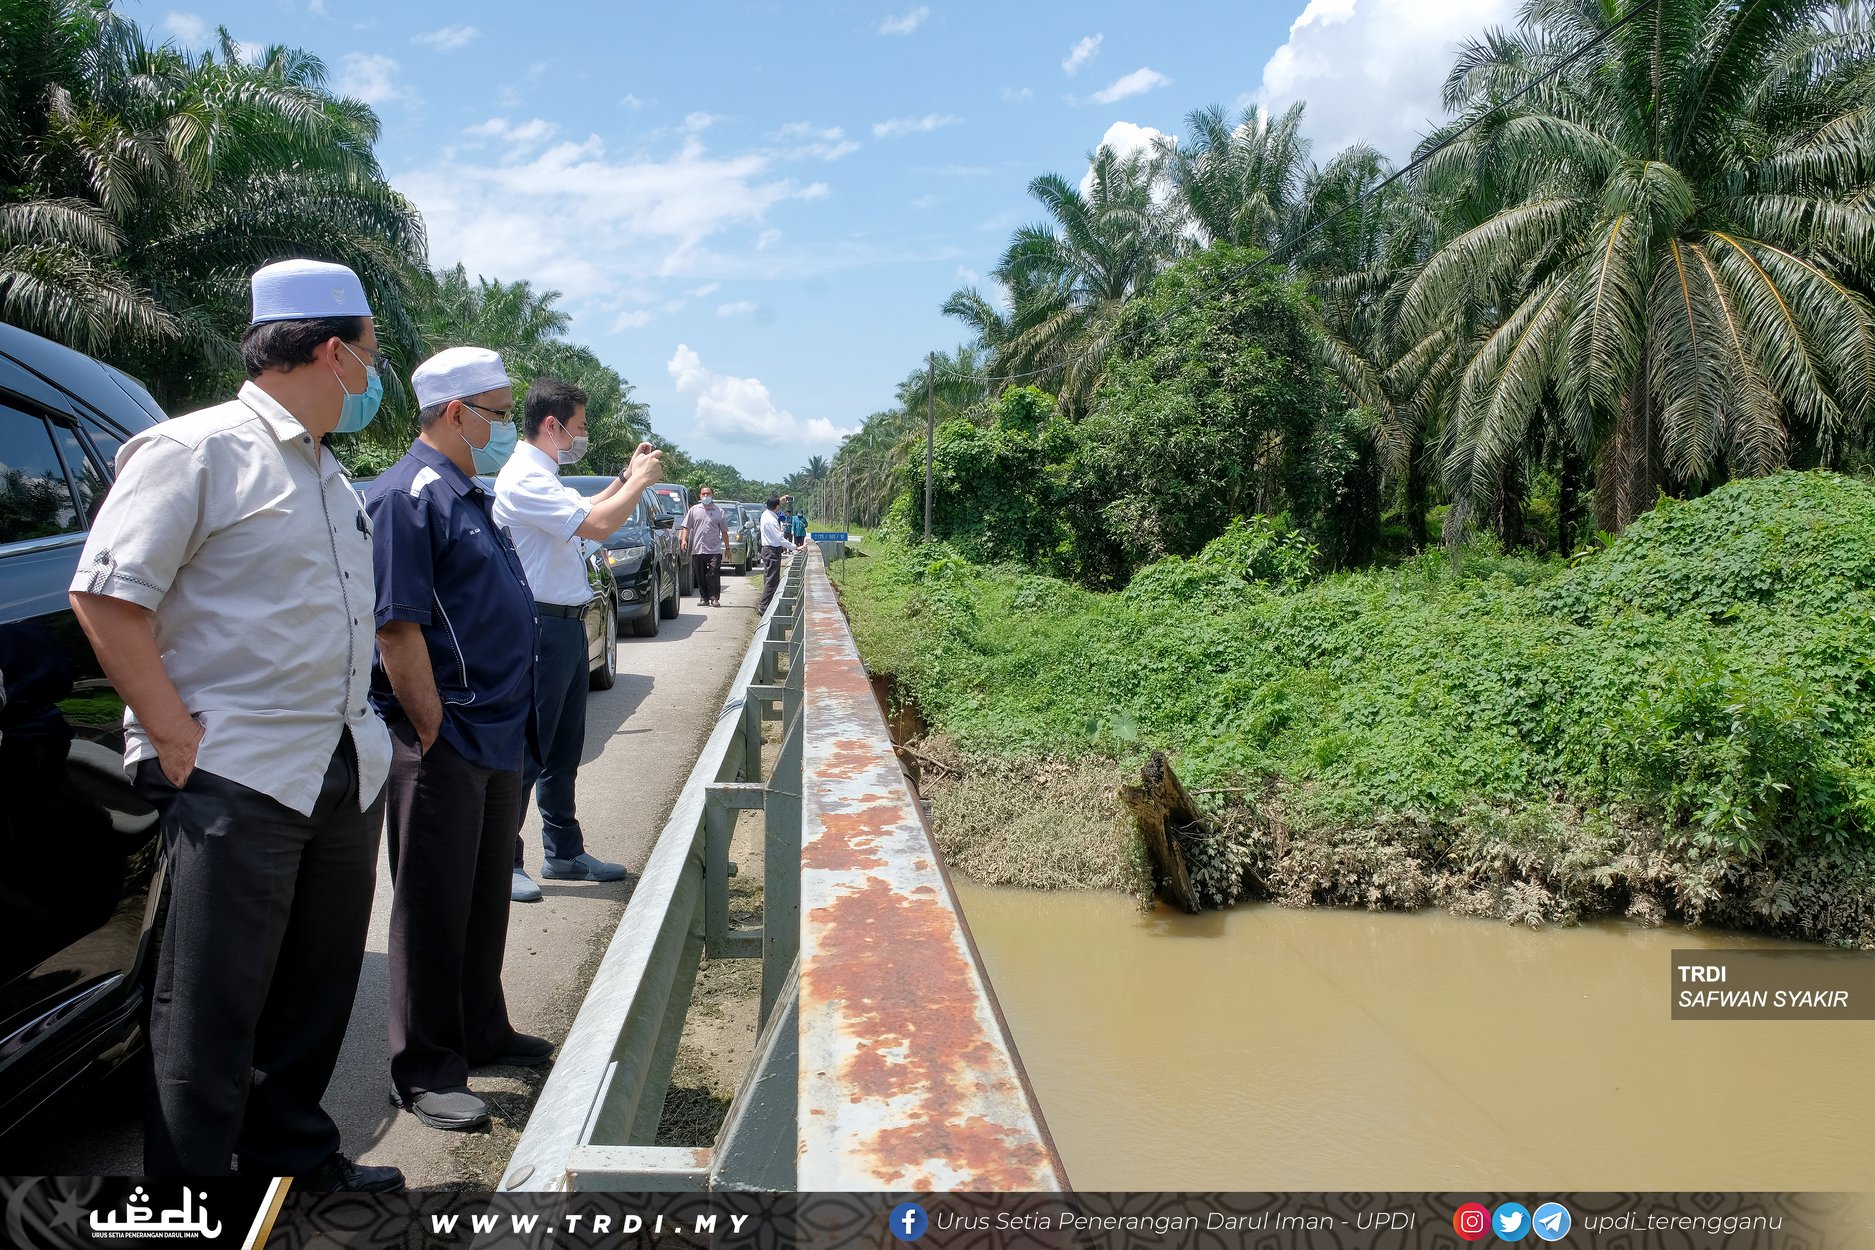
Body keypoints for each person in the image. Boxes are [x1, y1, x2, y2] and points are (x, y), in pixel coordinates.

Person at [67, 259, 401, 1190]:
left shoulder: (331, 475)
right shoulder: (195, 451)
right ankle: (194, 1198)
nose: (375, 378)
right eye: (370, 357)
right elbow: (106, 597)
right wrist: (173, 735)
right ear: (333, 351)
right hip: (239, 770)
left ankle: (291, 1157)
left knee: (314, 993)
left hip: (339, 762)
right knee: (209, 1009)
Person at [365, 347, 557, 1133]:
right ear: (454, 411)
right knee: (432, 906)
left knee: (484, 894)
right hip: (446, 735)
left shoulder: (466, 494)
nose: (505, 425)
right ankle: (424, 1067)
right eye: (499, 411)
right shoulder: (407, 498)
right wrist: (431, 726)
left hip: (500, 731)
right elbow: (396, 624)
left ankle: (482, 1027)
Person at [494, 379, 664, 902]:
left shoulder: (545, 475)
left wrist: (622, 476)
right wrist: (640, 482)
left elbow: (588, 505)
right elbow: (598, 523)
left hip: (566, 623)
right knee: (529, 749)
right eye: (581, 426)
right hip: (538, 625)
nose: (582, 435)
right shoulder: (524, 477)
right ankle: (505, 859)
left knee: (563, 748)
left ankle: (564, 851)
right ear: (553, 425)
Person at [679, 486, 731, 607]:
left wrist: (727, 548)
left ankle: (714, 598)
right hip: (698, 548)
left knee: (713, 573)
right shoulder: (694, 510)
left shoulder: (719, 511)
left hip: (714, 548)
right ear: (700, 495)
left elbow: (724, 532)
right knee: (700, 574)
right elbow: (686, 527)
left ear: (712, 495)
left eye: (708, 493)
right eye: (703, 494)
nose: (706, 496)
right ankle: (704, 598)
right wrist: (683, 541)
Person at [757, 495, 787, 613]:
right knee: (772, 580)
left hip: (767, 549)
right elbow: (780, 539)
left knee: (769, 578)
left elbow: (772, 505)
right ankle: (764, 606)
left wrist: (779, 500)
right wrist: (795, 547)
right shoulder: (772, 520)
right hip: (772, 551)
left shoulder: (766, 514)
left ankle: (768, 605)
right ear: (777, 507)